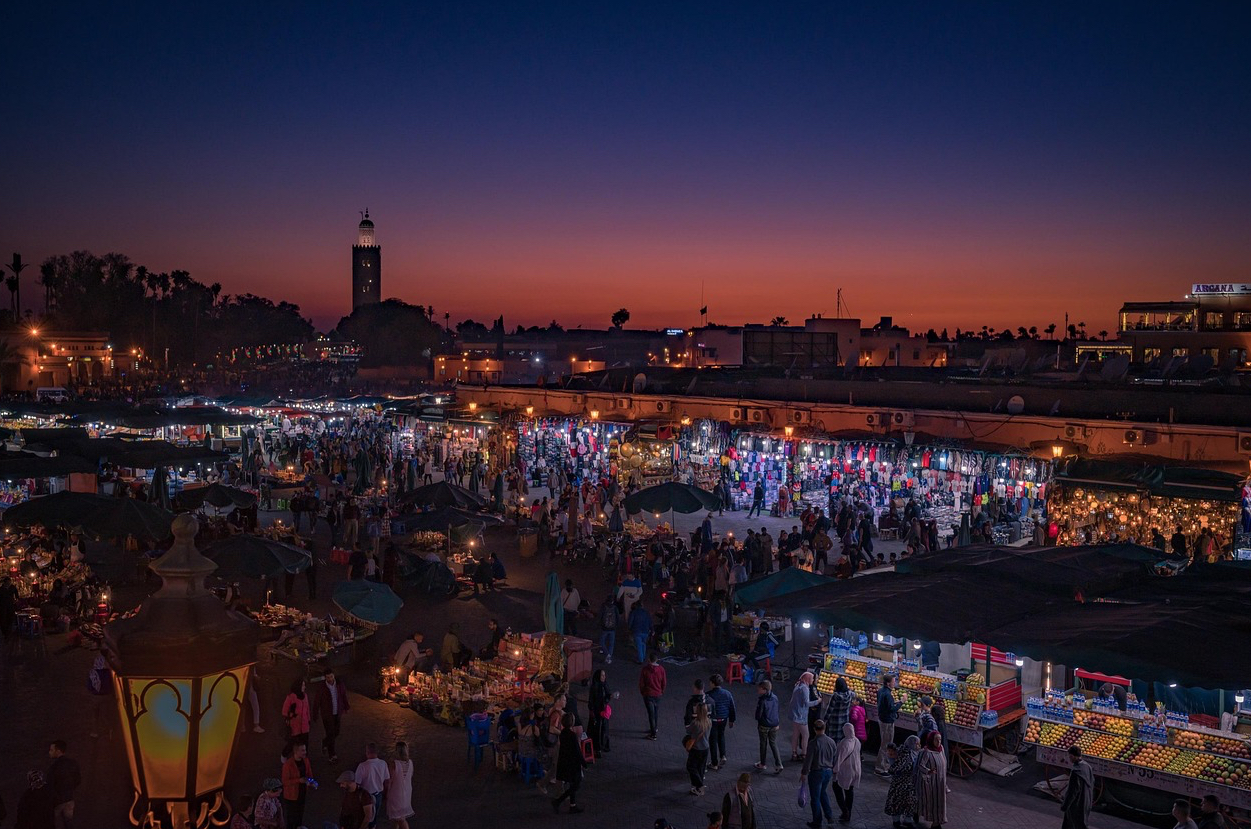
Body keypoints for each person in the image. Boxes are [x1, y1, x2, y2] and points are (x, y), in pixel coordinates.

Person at [800, 719, 837, 828]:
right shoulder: (831, 742)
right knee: (823, 793)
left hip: (817, 772)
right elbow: (834, 756)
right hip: (828, 771)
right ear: (824, 728)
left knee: (815, 797)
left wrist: (804, 773)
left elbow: (808, 760)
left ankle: (817, 821)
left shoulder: (814, 743)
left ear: (814, 729)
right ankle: (829, 816)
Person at [551, 712, 587, 813]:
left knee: (572, 784)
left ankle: (572, 805)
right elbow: (577, 750)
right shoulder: (572, 735)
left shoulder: (562, 733)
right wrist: (583, 763)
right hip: (573, 763)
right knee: (576, 784)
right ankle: (558, 801)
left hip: (564, 761)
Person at [312, 669, 350, 762]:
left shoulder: (339, 684)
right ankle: (332, 755)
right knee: (331, 734)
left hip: (337, 713)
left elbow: (343, 695)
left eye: (331, 677)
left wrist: (346, 706)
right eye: (328, 677)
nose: (330, 679)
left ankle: (325, 742)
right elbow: (317, 701)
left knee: (336, 732)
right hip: (327, 715)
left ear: (334, 675)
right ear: (325, 677)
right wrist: (315, 714)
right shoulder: (322, 687)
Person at [914, 732, 947, 829]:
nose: (938, 741)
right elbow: (920, 765)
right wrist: (929, 771)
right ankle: (916, 812)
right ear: (931, 740)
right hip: (929, 783)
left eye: (940, 739)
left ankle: (936, 822)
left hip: (940, 782)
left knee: (939, 802)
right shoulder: (926, 752)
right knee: (928, 801)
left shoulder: (941, 749)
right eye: (936, 739)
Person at [884, 737, 919, 828]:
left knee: (909, 802)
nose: (918, 746)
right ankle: (896, 821)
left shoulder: (913, 753)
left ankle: (907, 820)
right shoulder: (905, 753)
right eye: (917, 744)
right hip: (900, 783)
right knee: (897, 802)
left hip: (909, 783)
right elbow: (897, 767)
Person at [354, 742, 390, 828]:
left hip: (365, 796)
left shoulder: (362, 766)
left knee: (364, 816)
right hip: (378, 795)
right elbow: (387, 781)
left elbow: (357, 782)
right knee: (374, 816)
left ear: (367, 752)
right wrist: (386, 794)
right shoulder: (383, 763)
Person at [706, 673, 737, 771]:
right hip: (723, 719)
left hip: (713, 720)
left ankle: (714, 763)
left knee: (712, 740)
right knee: (721, 736)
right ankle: (723, 755)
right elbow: (732, 707)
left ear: (712, 683)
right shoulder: (727, 693)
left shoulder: (708, 695)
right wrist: (732, 720)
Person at [47, 740, 79, 829]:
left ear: (58, 751)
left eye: (51, 750)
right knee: (68, 823)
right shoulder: (73, 763)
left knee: (51, 823)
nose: (49, 752)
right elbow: (77, 780)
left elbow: (50, 784)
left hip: (57, 801)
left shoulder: (54, 767)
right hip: (69, 799)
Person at [280, 741, 313, 829]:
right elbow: (285, 782)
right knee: (291, 818)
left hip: (302, 792)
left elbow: (309, 773)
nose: (305, 752)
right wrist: (299, 780)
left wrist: (311, 781)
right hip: (291, 796)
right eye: (302, 750)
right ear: (296, 752)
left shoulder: (306, 760)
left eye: (305, 750)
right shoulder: (288, 765)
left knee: (300, 815)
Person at [789, 672, 820, 761]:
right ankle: (804, 754)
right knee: (806, 735)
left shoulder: (798, 685)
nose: (813, 680)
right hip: (801, 715)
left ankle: (794, 753)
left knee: (795, 734)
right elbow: (806, 703)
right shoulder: (805, 689)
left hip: (795, 714)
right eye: (812, 678)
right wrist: (817, 701)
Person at [753, 680, 783, 773]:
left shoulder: (762, 700)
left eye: (759, 688)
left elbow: (758, 715)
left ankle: (762, 763)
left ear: (764, 689)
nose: (758, 690)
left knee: (763, 744)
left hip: (764, 725)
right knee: (773, 743)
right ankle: (779, 764)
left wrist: (758, 719)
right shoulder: (775, 697)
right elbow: (776, 710)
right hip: (774, 724)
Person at [1061, 745, 1094, 829]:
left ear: (1073, 756)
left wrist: (1065, 805)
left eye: (1070, 756)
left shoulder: (1076, 771)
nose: (1069, 759)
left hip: (1077, 803)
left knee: (1072, 823)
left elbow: (1072, 791)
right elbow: (1092, 782)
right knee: (1082, 823)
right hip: (1087, 800)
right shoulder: (1087, 766)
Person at [876, 674, 903, 774]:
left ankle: (885, 765)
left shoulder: (880, 691)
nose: (894, 683)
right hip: (887, 721)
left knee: (885, 743)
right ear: (888, 683)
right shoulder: (888, 694)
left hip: (882, 719)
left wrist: (895, 702)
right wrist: (901, 702)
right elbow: (892, 709)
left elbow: (886, 705)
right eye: (893, 681)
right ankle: (880, 768)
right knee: (886, 745)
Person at [386, 741, 415, 829]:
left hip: (396, 793)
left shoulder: (394, 764)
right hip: (407, 793)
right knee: (398, 818)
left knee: (400, 819)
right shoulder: (410, 763)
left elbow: (389, 780)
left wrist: (387, 792)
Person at [639, 653, 667, 740]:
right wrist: (661, 691)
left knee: (651, 714)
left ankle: (653, 734)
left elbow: (641, 683)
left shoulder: (645, 670)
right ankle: (655, 728)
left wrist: (643, 692)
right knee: (655, 712)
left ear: (649, 660)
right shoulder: (661, 669)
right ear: (656, 659)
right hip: (658, 694)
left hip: (648, 694)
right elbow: (664, 682)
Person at [686, 702, 712, 795]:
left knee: (691, 766)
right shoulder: (709, 721)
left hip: (696, 748)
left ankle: (699, 785)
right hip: (705, 747)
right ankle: (698, 788)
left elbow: (688, 731)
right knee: (701, 767)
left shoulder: (696, 723)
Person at [588, 668, 615, 756]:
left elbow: (607, 696)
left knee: (604, 729)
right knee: (597, 730)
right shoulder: (594, 687)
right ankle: (597, 748)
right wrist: (592, 710)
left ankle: (604, 745)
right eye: (602, 675)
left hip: (604, 711)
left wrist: (610, 696)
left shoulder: (605, 685)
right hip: (597, 711)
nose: (604, 677)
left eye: (604, 675)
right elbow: (591, 700)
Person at [598, 594, 619, 663]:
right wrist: (616, 626)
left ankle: (607, 654)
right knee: (611, 643)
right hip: (612, 628)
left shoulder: (603, 606)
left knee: (601, 642)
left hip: (604, 628)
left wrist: (599, 624)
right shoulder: (615, 608)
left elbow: (600, 616)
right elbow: (617, 617)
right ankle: (609, 656)